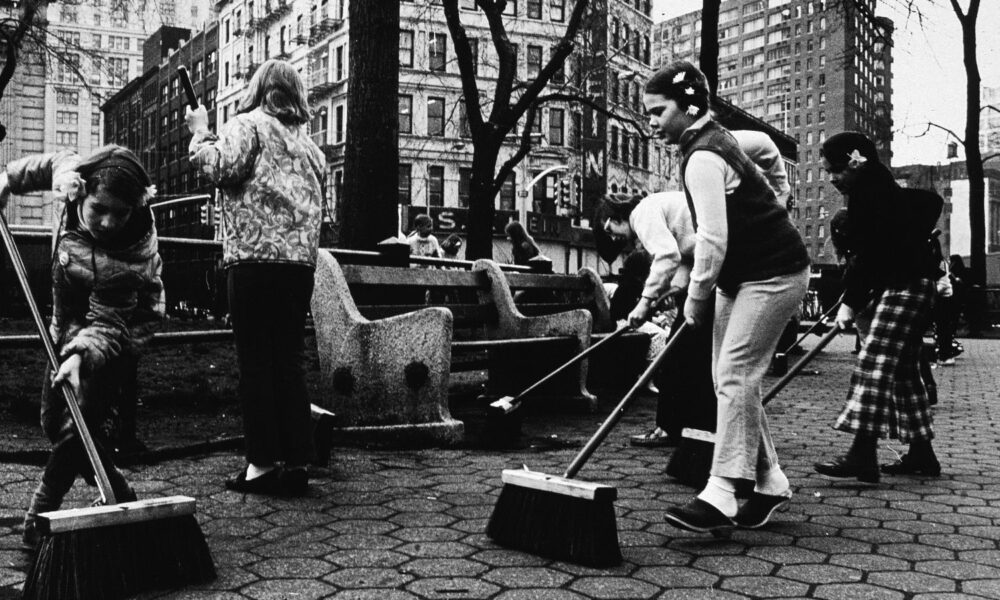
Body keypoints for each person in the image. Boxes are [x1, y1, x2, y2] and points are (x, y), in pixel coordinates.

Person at [642, 61, 810, 533]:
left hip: (775, 272)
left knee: (735, 374)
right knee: (730, 379)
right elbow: (765, 149)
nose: (651, 121)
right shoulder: (718, 138)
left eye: (658, 111)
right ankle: (769, 480)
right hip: (743, 276)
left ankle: (722, 491)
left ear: (688, 105)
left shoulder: (703, 156)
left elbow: (711, 239)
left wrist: (694, 298)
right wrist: (778, 192)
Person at [0, 145, 165, 550]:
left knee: (77, 429)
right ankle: (119, 492)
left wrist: (79, 356)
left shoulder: (128, 258)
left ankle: (40, 517)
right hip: (68, 326)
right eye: (99, 209)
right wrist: (5, 182)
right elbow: (48, 165)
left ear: (135, 207)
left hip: (118, 334)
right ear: (80, 192)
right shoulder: (74, 178)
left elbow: (108, 324)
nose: (108, 222)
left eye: (120, 212)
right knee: (53, 422)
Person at [186, 59, 326, 497]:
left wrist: (200, 129)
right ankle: (298, 459)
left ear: (259, 88)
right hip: (299, 265)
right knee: (288, 359)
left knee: (255, 362)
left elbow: (217, 168)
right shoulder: (310, 148)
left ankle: (262, 464)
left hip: (252, 260)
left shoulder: (247, 125)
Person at [813, 131, 944, 482]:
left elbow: (868, 259)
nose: (833, 178)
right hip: (913, 287)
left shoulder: (871, 199)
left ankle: (862, 454)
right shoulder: (877, 194)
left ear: (858, 164)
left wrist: (849, 305)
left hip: (904, 288)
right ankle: (921, 454)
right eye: (828, 171)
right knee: (903, 373)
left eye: (837, 169)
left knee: (874, 363)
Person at [597, 192, 711, 448]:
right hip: (712, 266)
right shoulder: (660, 208)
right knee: (686, 352)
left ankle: (670, 428)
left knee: (675, 354)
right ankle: (685, 427)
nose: (612, 235)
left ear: (620, 216)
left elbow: (667, 256)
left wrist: (644, 303)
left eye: (610, 226)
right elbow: (683, 256)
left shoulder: (641, 214)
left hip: (715, 269)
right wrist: (673, 290)